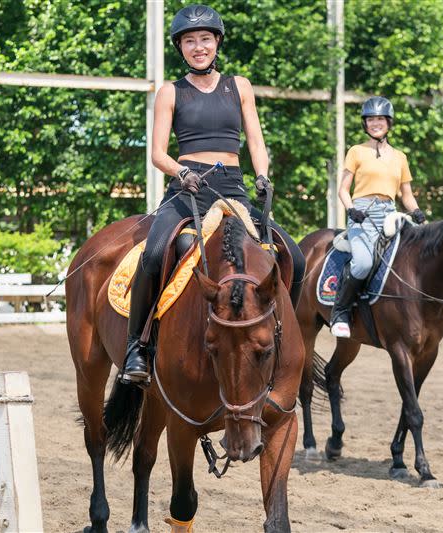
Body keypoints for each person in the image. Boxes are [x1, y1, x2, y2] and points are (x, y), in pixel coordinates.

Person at [120, 4, 306, 387]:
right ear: (181, 48)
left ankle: (286, 339)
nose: (198, 47)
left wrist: (263, 175)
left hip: (234, 189)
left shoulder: (239, 86)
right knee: (154, 254)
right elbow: (157, 153)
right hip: (188, 188)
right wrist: (181, 172)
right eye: (190, 41)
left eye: (205, 39)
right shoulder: (170, 92)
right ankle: (137, 346)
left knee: (297, 259)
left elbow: (255, 138)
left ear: (217, 42)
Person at [330, 96, 426, 338]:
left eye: (380, 119)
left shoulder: (400, 157)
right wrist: (351, 209)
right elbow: (342, 189)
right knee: (362, 263)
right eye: (370, 119)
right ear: (365, 124)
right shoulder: (356, 151)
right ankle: (340, 312)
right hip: (362, 213)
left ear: (388, 123)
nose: (375, 123)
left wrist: (416, 211)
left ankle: (425, 306)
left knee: (415, 256)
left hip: (390, 213)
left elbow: (407, 195)